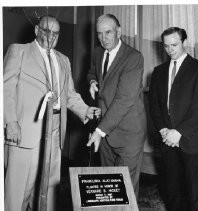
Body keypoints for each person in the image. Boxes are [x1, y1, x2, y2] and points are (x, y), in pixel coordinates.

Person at [4, 15, 100, 211]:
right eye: (47, 31)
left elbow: (70, 95)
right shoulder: (19, 51)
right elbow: (4, 89)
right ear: (37, 30)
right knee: (19, 190)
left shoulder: (63, 60)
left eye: (55, 33)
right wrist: (10, 122)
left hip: (55, 132)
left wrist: (86, 110)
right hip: (26, 132)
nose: (51, 37)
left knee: (49, 190)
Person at [86, 14, 147, 201]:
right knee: (108, 189)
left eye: (108, 32)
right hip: (105, 132)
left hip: (128, 133)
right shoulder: (98, 52)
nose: (104, 38)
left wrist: (98, 131)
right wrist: (93, 81)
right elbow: (91, 72)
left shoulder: (133, 58)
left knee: (125, 190)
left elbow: (124, 100)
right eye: (99, 34)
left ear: (119, 32)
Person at [149, 27, 198, 211]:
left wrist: (179, 132)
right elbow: (155, 106)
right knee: (172, 191)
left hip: (190, 139)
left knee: (196, 192)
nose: (170, 49)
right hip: (167, 140)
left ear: (184, 42)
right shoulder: (158, 71)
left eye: (174, 45)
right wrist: (163, 130)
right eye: (166, 46)